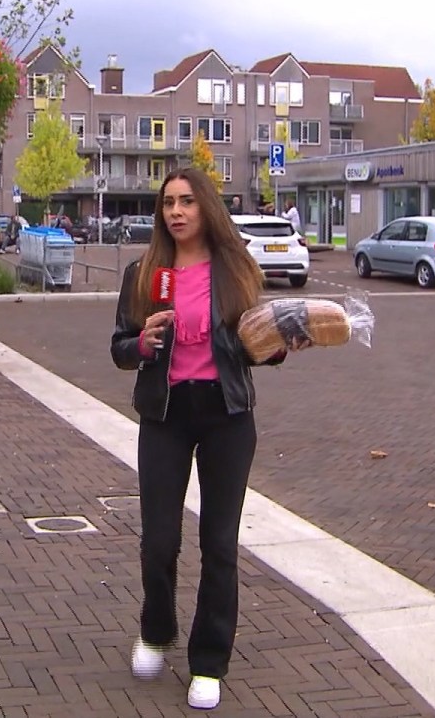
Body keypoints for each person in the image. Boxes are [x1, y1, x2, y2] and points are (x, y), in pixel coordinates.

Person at [110, 167, 303, 711]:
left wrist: (281, 345)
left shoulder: (235, 268)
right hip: (165, 415)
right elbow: (120, 347)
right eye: (168, 202)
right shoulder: (144, 273)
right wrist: (142, 344)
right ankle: (155, 631)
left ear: (206, 208)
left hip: (226, 416)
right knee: (158, 540)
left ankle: (209, 662)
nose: (176, 211)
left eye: (187, 201)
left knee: (219, 543)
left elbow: (256, 344)